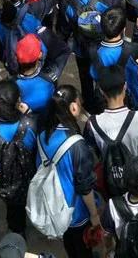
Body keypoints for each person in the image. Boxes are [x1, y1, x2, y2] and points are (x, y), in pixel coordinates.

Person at [36, 85, 100, 258]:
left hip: (56, 208)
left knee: (70, 244)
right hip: (77, 211)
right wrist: (94, 214)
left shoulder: (42, 136)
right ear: (73, 107)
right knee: (83, 247)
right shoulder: (77, 144)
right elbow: (85, 187)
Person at [0, 79, 37, 234]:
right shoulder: (29, 124)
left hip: (5, 178)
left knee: (13, 211)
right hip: (27, 175)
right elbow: (35, 147)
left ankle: (18, 233)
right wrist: (29, 113)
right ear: (18, 102)